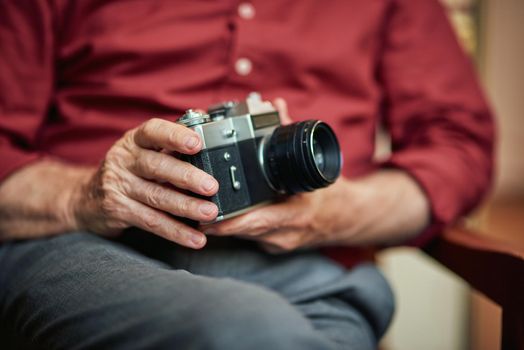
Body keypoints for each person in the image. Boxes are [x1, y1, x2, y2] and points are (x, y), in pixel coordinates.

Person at [0, 1, 494, 349]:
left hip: (315, 269)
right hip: (89, 249)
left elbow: (459, 146)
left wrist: (337, 213)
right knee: (248, 331)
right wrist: (86, 196)